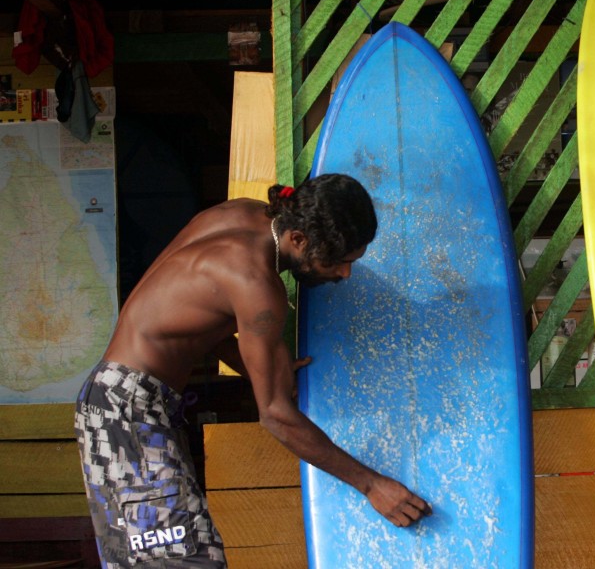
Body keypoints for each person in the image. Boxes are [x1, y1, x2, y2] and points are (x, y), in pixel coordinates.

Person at [74, 174, 431, 568]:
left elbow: (188, 310)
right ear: (298, 239)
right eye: (337, 261)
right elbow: (276, 417)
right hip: (128, 412)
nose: (344, 274)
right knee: (187, 560)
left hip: (117, 400)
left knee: (151, 561)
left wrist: (260, 367)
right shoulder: (258, 284)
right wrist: (372, 485)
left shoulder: (239, 213)